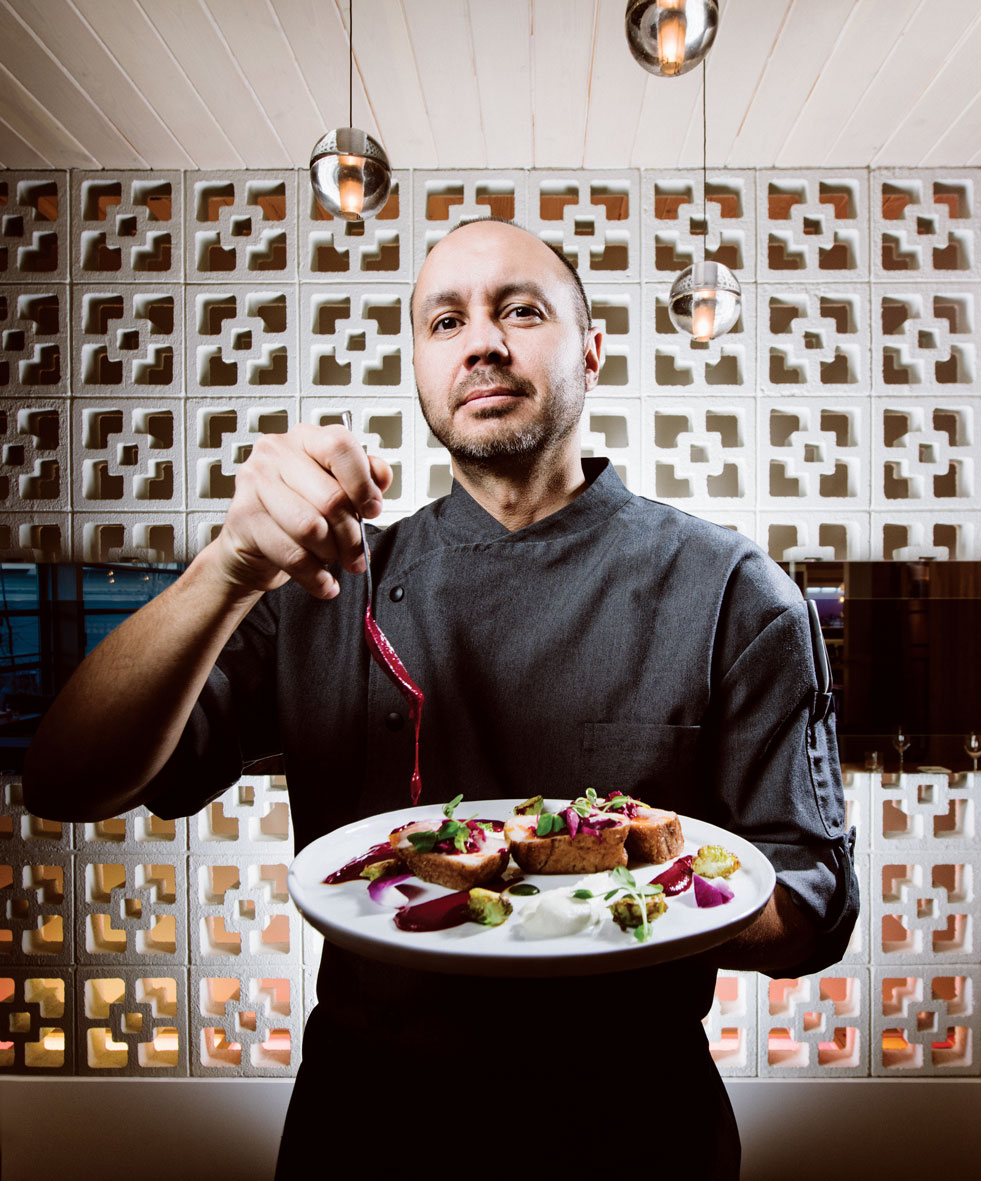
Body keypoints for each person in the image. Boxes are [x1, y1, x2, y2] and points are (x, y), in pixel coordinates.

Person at [25, 219, 857, 1178]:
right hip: (366, 1124)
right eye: (445, 320)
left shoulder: (732, 589)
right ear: (419, 366)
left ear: (590, 349)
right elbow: (67, 776)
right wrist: (229, 564)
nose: (482, 340)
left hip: (635, 1125)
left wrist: (605, 885)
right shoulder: (325, 581)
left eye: (520, 309)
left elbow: (811, 899)